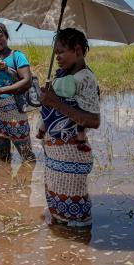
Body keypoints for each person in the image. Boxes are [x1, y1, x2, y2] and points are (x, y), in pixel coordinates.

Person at [39, 28, 100, 227]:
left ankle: (80, 248)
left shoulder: (85, 78)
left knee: (75, 218)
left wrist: (54, 102)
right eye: (55, 52)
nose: (57, 57)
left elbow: (93, 120)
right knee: (59, 211)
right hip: (57, 155)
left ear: (78, 51)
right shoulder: (63, 77)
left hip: (71, 155)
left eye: (62, 52)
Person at [0, 22, 35, 162]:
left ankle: (27, 181)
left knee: (27, 157)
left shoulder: (17, 56)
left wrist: (0, 90)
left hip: (14, 112)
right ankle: (4, 182)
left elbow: (27, 81)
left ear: (6, 36)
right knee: (3, 158)